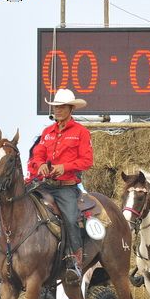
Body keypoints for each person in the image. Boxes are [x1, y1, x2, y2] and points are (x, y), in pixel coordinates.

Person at [29, 89, 93, 285]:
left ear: (71, 109)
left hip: (66, 188)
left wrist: (64, 167)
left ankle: (75, 262)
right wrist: (39, 164)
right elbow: (37, 155)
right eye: (55, 107)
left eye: (61, 107)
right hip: (45, 185)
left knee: (71, 219)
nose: (57, 110)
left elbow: (87, 161)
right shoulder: (46, 132)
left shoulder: (81, 132)